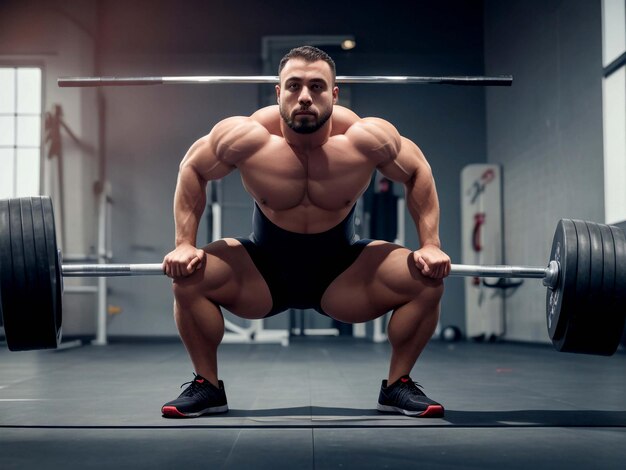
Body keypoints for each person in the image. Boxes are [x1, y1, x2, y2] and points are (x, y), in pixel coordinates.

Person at [161, 46, 451, 419]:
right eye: (294, 86)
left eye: (316, 87)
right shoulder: (246, 137)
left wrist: (431, 245)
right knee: (188, 276)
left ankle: (397, 385)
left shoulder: (366, 139)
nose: (304, 97)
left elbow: (417, 170)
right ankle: (207, 386)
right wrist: (184, 244)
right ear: (278, 92)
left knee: (426, 278)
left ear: (333, 94)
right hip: (260, 272)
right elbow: (192, 168)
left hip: (345, 275)